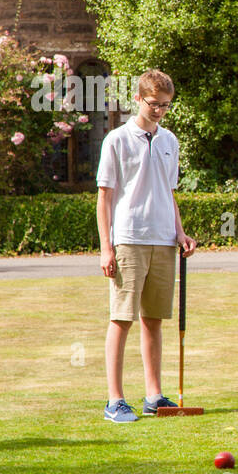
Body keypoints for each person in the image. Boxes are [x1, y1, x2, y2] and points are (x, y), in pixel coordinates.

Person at [96, 70, 197, 423]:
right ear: (138, 99)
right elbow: (105, 197)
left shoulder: (170, 141)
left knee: (153, 320)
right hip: (129, 238)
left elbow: (169, 193)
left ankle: (154, 396)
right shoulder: (117, 140)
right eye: (154, 104)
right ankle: (115, 400)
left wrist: (180, 233)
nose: (159, 111)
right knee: (121, 319)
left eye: (166, 106)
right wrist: (106, 247)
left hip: (163, 241)